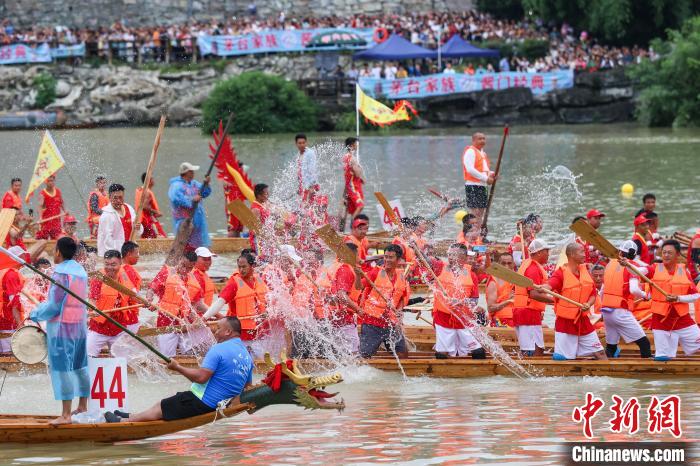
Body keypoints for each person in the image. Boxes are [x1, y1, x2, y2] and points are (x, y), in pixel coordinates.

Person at [104, 317, 253, 423]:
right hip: (219, 404)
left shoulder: (219, 349)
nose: (215, 332)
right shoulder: (247, 356)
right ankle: (134, 415)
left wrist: (177, 367)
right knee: (165, 403)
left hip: (203, 403)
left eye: (218, 329)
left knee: (163, 407)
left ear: (228, 332)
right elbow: (247, 386)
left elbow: (201, 378)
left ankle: (124, 420)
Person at [29, 237, 90, 425]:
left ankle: (65, 415)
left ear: (58, 252)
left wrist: (35, 313)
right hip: (79, 326)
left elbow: (55, 305)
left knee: (63, 368)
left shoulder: (60, 273)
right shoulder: (80, 271)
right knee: (80, 366)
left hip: (63, 328)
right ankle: (82, 406)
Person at [630, 240, 700, 361]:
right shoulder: (653, 268)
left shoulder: (685, 271)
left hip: (682, 319)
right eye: (664, 252)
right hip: (661, 320)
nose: (666, 255)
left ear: (677, 254)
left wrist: (678, 298)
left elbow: (695, 296)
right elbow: (635, 271)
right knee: (663, 357)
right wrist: (627, 264)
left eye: (669, 253)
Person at [536, 243, 607, 360]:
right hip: (565, 323)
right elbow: (550, 285)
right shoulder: (560, 273)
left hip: (583, 321)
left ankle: (608, 377)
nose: (585, 255)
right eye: (582, 252)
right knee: (564, 359)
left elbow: (593, 294)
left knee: (600, 353)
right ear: (572, 255)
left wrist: (588, 304)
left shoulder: (585, 271)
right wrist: (542, 287)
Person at [203, 253, 269, 359]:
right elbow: (220, 302)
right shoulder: (234, 283)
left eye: (244, 267)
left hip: (258, 332)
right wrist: (204, 317)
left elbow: (269, 300)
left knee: (263, 361)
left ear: (252, 266)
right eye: (239, 267)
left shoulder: (260, 280)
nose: (241, 270)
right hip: (239, 333)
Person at [147, 251, 208, 358]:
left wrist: (204, 318)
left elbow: (195, 306)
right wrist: (149, 298)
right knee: (167, 358)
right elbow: (152, 289)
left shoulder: (195, 280)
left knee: (196, 352)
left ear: (193, 266)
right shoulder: (166, 272)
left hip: (185, 325)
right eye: (183, 265)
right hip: (166, 324)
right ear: (179, 260)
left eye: (189, 268)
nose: (184, 270)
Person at [431, 243, 485, 359]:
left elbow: (474, 301)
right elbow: (425, 260)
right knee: (442, 354)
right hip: (444, 317)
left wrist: (463, 302)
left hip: (464, 319)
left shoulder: (471, 275)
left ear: (463, 258)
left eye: (454, 255)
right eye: (449, 254)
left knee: (479, 352)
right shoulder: (440, 267)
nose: (450, 257)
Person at [599, 240, 651, 358]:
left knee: (611, 346)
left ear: (620, 252)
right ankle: (648, 369)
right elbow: (634, 290)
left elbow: (602, 290)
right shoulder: (631, 267)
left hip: (606, 311)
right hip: (620, 312)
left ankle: (607, 369)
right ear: (633, 255)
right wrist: (645, 295)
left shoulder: (609, 264)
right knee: (644, 344)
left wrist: (602, 309)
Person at [359, 244, 410, 358]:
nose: (387, 260)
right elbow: (359, 286)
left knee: (402, 354)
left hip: (391, 323)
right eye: (385, 257)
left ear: (398, 259)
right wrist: (357, 273)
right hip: (372, 322)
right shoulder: (375, 273)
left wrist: (399, 310)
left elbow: (401, 297)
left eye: (390, 257)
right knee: (365, 356)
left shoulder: (402, 275)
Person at [86, 250, 140, 357]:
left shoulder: (124, 276)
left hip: (119, 328)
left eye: (113, 265)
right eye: (107, 264)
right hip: (99, 328)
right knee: (87, 357)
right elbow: (92, 300)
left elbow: (134, 295)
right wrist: (93, 308)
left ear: (120, 263)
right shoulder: (98, 277)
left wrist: (146, 303)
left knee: (121, 362)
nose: (110, 268)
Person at [512, 239, 551, 356]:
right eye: (546, 251)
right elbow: (534, 294)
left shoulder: (527, 264)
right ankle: (531, 371)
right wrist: (555, 301)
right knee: (533, 350)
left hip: (525, 311)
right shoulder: (532, 269)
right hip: (528, 311)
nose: (548, 254)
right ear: (539, 253)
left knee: (534, 348)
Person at [169, 162, 212, 251]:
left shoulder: (194, 184)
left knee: (199, 244)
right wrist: (191, 199)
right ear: (186, 173)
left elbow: (204, 193)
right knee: (186, 245)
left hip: (198, 219)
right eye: (191, 171)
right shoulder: (176, 185)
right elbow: (175, 198)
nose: (193, 173)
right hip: (185, 220)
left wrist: (206, 184)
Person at [97, 184, 141, 258]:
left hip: (130, 252)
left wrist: (138, 227)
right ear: (110, 197)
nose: (118, 200)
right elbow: (108, 240)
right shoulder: (106, 215)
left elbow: (138, 232)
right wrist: (118, 256)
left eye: (120, 197)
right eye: (115, 198)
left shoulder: (129, 208)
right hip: (113, 256)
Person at [462, 132, 495, 231]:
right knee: (474, 212)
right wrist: (486, 178)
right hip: (472, 185)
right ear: (474, 140)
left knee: (481, 212)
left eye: (484, 139)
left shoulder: (483, 153)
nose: (482, 141)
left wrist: (491, 174)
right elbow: (470, 169)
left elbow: (484, 171)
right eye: (480, 139)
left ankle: (478, 234)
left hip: (482, 186)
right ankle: (469, 234)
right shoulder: (470, 152)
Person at [0, 245, 29, 353]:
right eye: (22, 255)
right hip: (7, 320)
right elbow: (14, 304)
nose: (24, 258)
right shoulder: (11, 274)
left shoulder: (4, 271)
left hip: (3, 319)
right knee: (10, 354)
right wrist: (20, 325)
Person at [486, 252, 515, 327]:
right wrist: (508, 301)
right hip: (500, 320)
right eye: (503, 263)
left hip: (518, 319)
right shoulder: (494, 281)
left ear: (513, 264)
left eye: (509, 263)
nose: (506, 266)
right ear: (499, 265)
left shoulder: (519, 280)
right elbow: (490, 308)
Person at [135, 173, 165, 239]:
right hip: (147, 220)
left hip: (141, 220)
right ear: (149, 180)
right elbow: (144, 206)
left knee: (146, 240)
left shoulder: (141, 190)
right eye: (152, 179)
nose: (154, 181)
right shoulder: (147, 192)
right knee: (160, 238)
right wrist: (157, 212)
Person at [35, 175, 64, 240]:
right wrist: (40, 218)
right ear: (45, 182)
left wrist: (65, 211)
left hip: (56, 222)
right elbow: (39, 206)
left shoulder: (58, 191)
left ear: (54, 181)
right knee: (42, 239)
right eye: (48, 181)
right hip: (46, 222)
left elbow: (61, 202)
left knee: (58, 239)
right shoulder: (42, 194)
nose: (50, 182)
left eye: (52, 181)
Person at [343, 137, 365, 219]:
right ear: (352, 145)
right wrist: (359, 168)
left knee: (354, 209)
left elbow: (349, 173)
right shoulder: (352, 158)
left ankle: (353, 228)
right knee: (360, 206)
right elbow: (357, 174)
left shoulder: (346, 157)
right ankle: (353, 226)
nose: (357, 146)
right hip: (353, 186)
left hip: (350, 186)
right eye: (356, 144)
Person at [295, 134, 318, 202]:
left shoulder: (310, 153)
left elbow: (312, 170)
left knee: (308, 207)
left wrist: (311, 187)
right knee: (305, 206)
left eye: (303, 143)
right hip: (303, 185)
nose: (302, 145)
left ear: (306, 142)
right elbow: (300, 172)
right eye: (300, 143)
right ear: (296, 144)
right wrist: (299, 187)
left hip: (310, 185)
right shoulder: (298, 154)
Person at [249, 183, 270, 255]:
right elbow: (256, 229)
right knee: (261, 260)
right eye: (266, 194)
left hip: (266, 238)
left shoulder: (264, 205)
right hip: (259, 241)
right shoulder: (255, 209)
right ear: (259, 195)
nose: (268, 195)